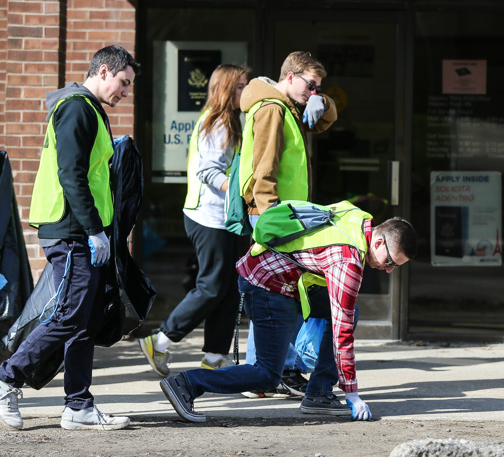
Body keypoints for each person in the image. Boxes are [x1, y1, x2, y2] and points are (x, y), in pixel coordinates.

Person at [0, 45, 140, 431]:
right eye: (124, 82)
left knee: (83, 318)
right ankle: (6, 376)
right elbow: (72, 175)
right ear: (104, 71)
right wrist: (92, 231)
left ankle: (79, 406)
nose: (125, 91)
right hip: (73, 232)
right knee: (70, 315)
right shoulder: (77, 108)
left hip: (83, 232)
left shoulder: (89, 110)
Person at [160, 205, 418, 422]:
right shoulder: (348, 261)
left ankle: (318, 394)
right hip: (267, 285)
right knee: (267, 374)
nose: (388, 270)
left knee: (350, 312)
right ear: (379, 241)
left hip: (280, 279)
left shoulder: (358, 219)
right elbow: (343, 333)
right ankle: (187, 384)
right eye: (391, 262)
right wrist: (352, 393)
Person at [235, 50, 337, 398]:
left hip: (283, 215)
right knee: (280, 293)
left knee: (280, 291)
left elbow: (323, 120)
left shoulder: (286, 106)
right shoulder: (272, 109)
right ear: (290, 77)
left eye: (318, 87)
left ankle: (268, 370)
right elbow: (263, 167)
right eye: (310, 85)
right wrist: (269, 216)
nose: (313, 92)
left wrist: (320, 100)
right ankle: (275, 370)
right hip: (275, 216)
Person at [138, 64, 250, 375]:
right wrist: (240, 189)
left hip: (223, 218)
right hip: (208, 216)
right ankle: (159, 341)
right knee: (212, 287)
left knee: (229, 288)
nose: (245, 91)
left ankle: (214, 357)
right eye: (240, 86)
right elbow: (208, 172)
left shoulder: (233, 121)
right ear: (227, 89)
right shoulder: (216, 123)